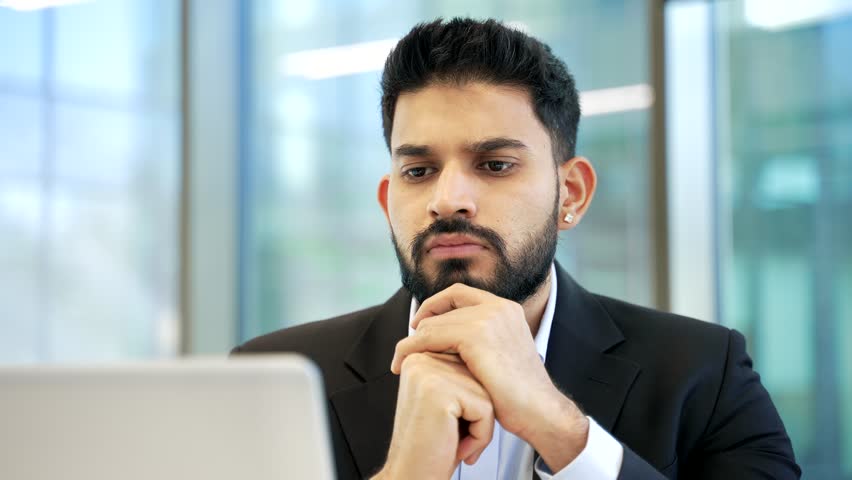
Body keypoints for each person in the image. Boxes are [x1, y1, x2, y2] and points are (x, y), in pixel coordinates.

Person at [232, 18, 800, 480]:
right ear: (389, 201)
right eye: (419, 169)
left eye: (495, 165)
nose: (448, 199)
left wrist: (565, 433)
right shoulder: (271, 379)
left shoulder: (704, 373)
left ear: (569, 195)